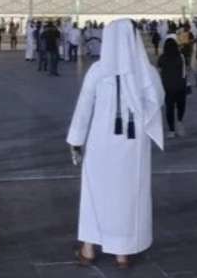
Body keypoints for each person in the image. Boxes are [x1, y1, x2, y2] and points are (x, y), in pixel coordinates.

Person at [67, 19, 164, 269]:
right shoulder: (146, 71)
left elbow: (84, 107)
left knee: (95, 194)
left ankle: (89, 248)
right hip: (133, 146)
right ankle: (123, 253)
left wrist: (76, 140)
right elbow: (157, 101)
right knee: (129, 195)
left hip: (101, 143)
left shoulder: (98, 71)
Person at [158, 37, 187, 138]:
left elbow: (159, 71)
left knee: (169, 109)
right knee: (180, 106)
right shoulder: (181, 56)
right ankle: (179, 123)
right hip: (180, 86)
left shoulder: (162, 58)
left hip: (167, 87)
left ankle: (171, 130)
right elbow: (184, 71)